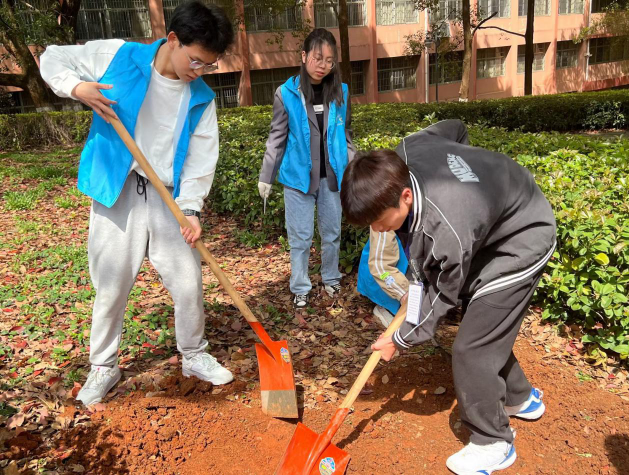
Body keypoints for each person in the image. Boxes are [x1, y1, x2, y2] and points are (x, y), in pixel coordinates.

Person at [40, 1, 235, 406]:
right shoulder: (119, 56)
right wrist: (77, 87)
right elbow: (52, 57)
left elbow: (201, 158)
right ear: (173, 39)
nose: (199, 71)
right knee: (111, 285)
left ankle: (194, 354)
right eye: (195, 60)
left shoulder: (201, 98)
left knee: (188, 282)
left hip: (168, 196)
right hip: (120, 189)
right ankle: (103, 366)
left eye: (208, 65)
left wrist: (191, 208)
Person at [340, 120, 556, 475]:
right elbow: (455, 128)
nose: (377, 230)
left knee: (472, 347)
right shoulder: (407, 151)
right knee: (485, 326)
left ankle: (493, 442)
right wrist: (469, 170)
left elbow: (439, 296)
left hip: (523, 238)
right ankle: (519, 398)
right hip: (492, 222)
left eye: (379, 221)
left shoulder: (447, 231)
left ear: (405, 196)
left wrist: (400, 338)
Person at [258, 28, 356, 309]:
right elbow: (277, 137)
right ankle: (300, 286)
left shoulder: (341, 92)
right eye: (317, 58)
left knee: (332, 234)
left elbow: (346, 134)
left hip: (332, 178)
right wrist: (267, 176)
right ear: (304, 56)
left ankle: (331, 277)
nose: (323, 65)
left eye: (329, 60)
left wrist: (354, 167)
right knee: (300, 238)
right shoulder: (286, 93)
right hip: (298, 179)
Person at [356, 229, 408, 328]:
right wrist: (403, 293)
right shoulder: (385, 225)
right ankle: (388, 307)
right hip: (384, 276)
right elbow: (380, 266)